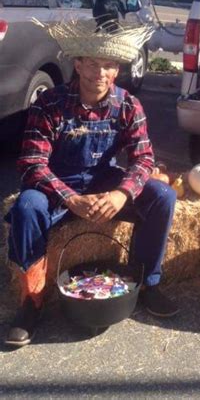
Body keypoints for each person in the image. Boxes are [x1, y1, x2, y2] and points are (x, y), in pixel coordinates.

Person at [4, 19, 178, 348]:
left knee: (163, 196)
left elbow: (143, 160)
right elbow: (32, 163)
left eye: (108, 65)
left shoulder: (128, 105)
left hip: (104, 178)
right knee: (27, 207)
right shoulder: (50, 104)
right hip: (59, 180)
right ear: (78, 64)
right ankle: (31, 302)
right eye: (92, 64)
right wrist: (70, 198)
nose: (100, 73)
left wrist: (120, 193)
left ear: (117, 70)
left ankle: (146, 284)